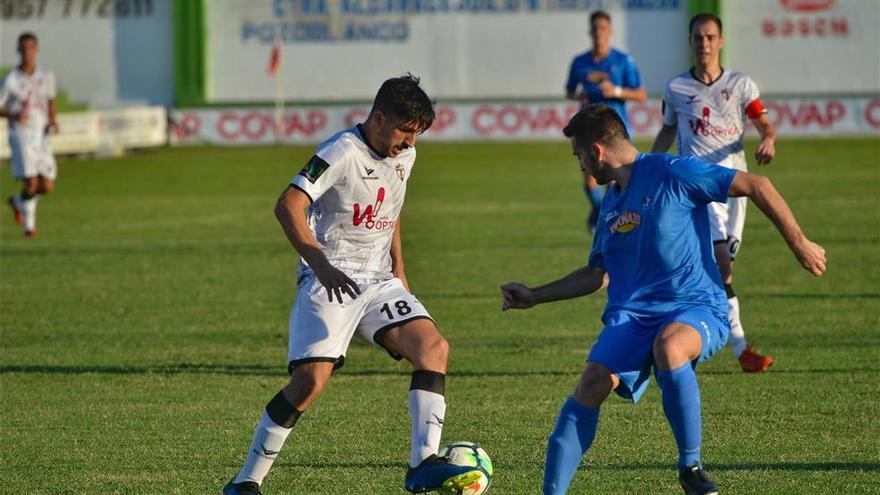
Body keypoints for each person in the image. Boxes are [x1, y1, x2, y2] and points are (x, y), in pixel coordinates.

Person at [501, 104, 825, 495]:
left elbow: (758, 185)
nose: (582, 168)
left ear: (597, 152)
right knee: (591, 383)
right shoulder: (612, 202)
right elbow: (597, 273)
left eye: (580, 157)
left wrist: (800, 243)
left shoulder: (674, 171)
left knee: (670, 345)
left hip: (696, 307)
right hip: (633, 318)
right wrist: (535, 295)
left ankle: (691, 467)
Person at [222, 75, 483, 495]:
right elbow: (288, 204)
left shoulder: (406, 156)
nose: (410, 144)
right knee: (310, 382)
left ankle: (422, 465)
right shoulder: (339, 152)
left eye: (417, 135)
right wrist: (320, 264)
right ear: (379, 118)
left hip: (379, 282)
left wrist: (400, 270)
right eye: (405, 131)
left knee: (434, 347)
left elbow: (392, 207)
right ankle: (246, 482)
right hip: (330, 279)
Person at [651, 13, 778, 373]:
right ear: (690, 42)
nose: (704, 44)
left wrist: (768, 138)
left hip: (737, 188)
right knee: (720, 264)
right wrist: (645, 167)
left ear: (720, 41)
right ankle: (735, 347)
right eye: (698, 38)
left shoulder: (741, 84)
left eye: (710, 37)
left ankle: (696, 339)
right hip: (697, 188)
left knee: (722, 272)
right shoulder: (675, 88)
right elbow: (667, 132)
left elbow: (763, 123)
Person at [565, 10, 646, 233]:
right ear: (589, 31)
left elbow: (640, 93)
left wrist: (616, 90)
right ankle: (600, 211)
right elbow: (569, 90)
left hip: (614, 130)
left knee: (614, 178)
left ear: (609, 32)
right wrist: (578, 95)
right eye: (595, 28)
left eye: (603, 28)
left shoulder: (622, 61)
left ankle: (612, 221)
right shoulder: (580, 62)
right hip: (587, 129)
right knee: (589, 177)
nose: (598, 32)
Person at [1, 32, 58, 238]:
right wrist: (13, 113)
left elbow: (51, 100)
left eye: (31, 48)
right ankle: (29, 228)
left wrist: (53, 120)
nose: (27, 52)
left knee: (47, 185)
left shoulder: (46, 76)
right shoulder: (10, 80)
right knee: (31, 182)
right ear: (18, 50)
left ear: (37, 50)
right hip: (21, 134)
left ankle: (17, 202)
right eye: (23, 48)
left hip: (42, 134)